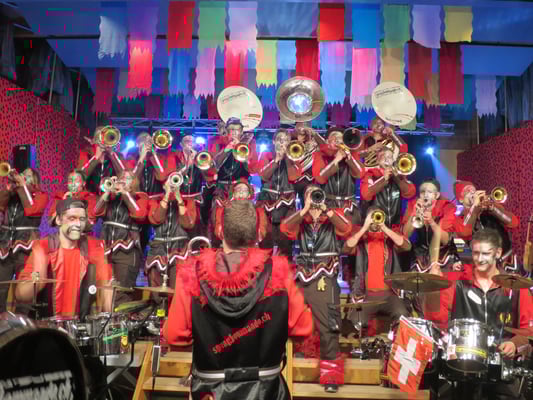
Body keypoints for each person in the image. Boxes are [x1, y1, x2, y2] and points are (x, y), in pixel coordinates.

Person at [163, 200, 313, 400]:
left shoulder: (191, 274)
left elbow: (174, 335)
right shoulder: (279, 273)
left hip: (211, 392)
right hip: (266, 391)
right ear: (257, 234)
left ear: (220, 232)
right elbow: (303, 328)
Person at [426, 228, 532, 400]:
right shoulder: (458, 282)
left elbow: (528, 331)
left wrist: (514, 344)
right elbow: (436, 319)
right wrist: (433, 287)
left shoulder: (516, 287)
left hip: (502, 368)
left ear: (498, 253)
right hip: (463, 366)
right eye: (476, 253)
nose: (480, 259)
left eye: (486, 253)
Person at [280, 185, 352, 393]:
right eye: (310, 195)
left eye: (317, 194)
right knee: (288, 319)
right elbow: (285, 228)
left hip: (325, 275)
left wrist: (327, 210)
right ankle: (283, 366)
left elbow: (346, 229)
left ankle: (331, 376)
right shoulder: (300, 218)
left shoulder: (332, 216)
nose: (314, 198)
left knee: (329, 325)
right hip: (302, 275)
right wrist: (304, 209)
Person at [15, 198, 113, 318]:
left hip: (80, 325)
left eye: (82, 219)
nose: (78, 224)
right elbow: (21, 295)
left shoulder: (94, 247)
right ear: (58, 220)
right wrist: (39, 278)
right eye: (72, 218)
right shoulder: (44, 246)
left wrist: (111, 318)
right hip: (47, 324)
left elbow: (107, 292)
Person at [342, 207, 411, 335]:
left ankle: (394, 343)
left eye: (378, 216)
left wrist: (384, 227)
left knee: (402, 314)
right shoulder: (361, 239)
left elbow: (406, 246)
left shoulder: (390, 238)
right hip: (367, 295)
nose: (375, 220)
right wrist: (364, 227)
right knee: (356, 320)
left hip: (390, 294)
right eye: (372, 217)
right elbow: (346, 248)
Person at [92, 169, 148, 303]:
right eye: (121, 177)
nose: (123, 180)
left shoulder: (141, 197)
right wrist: (106, 192)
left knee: (122, 292)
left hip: (127, 251)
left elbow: (139, 214)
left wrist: (125, 194)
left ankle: (122, 317)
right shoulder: (111, 198)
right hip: (106, 249)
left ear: (134, 182)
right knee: (104, 290)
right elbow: (95, 212)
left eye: (128, 178)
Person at [0, 168, 48, 312]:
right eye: (22, 175)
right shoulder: (12, 195)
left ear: (35, 180)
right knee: (1, 286)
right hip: (5, 245)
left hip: (26, 245)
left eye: (28, 176)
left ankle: (22, 321)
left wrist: (22, 186)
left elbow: (32, 210)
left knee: (24, 286)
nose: (23, 177)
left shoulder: (41, 195)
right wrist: (9, 188)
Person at [146, 173, 196, 289]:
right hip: (158, 250)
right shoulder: (155, 201)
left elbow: (188, 224)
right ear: (163, 185)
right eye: (169, 181)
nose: (172, 183)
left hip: (179, 249)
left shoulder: (188, 201)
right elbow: (156, 219)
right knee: (155, 291)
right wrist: (167, 194)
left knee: (177, 289)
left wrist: (178, 198)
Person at [453, 180, 519, 269]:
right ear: (461, 199)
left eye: (473, 190)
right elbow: (464, 233)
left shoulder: (490, 209)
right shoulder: (458, 218)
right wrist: (474, 208)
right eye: (467, 191)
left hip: (504, 262)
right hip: (478, 267)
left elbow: (514, 223)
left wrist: (493, 209)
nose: (472, 192)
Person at [256, 129, 301, 257]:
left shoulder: (294, 156)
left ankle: (285, 265)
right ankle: (264, 265)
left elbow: (294, 177)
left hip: (287, 203)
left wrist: (287, 159)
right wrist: (276, 160)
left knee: (285, 240)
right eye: (279, 140)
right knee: (265, 237)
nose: (282, 143)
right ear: (273, 141)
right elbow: (264, 176)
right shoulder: (265, 155)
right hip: (267, 201)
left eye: (286, 140)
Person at [403, 178, 458, 272]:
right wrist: (414, 214)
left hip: (443, 252)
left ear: (437, 195)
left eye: (429, 192)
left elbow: (445, 240)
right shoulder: (413, 205)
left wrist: (431, 222)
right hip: (421, 254)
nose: (425, 195)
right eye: (422, 192)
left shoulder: (447, 207)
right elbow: (405, 234)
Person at [312, 127, 364, 227]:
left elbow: (360, 173)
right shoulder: (320, 155)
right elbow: (320, 178)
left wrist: (350, 158)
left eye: (340, 138)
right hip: (328, 203)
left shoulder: (352, 154)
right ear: (327, 142)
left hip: (349, 204)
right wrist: (336, 160)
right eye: (334, 137)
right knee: (329, 233)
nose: (338, 140)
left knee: (351, 232)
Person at [360, 147, 416, 227]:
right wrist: (383, 179)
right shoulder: (370, 174)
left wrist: (396, 178)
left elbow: (410, 193)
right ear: (377, 161)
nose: (386, 160)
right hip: (375, 227)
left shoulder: (399, 176)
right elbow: (365, 195)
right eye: (383, 157)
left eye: (389, 157)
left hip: (395, 227)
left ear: (393, 160)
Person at [213, 181, 268, 246]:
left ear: (249, 195)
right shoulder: (222, 211)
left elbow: (261, 232)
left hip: (250, 247)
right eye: (238, 189)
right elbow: (218, 231)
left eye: (244, 190)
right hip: (230, 247)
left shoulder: (259, 212)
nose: (241, 192)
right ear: (233, 194)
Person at [78, 126, 127, 194]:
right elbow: (79, 177)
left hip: (111, 196)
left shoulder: (117, 156)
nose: (104, 143)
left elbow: (125, 176)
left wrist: (112, 156)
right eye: (101, 139)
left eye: (106, 139)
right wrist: (95, 158)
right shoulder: (86, 154)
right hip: (90, 197)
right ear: (95, 142)